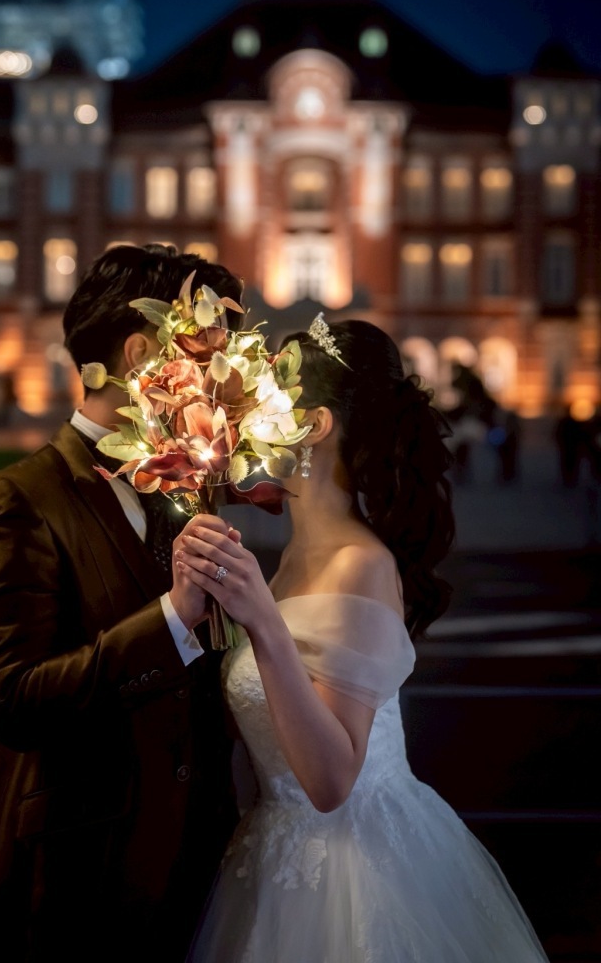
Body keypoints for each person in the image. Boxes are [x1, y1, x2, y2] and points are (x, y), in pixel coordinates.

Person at [176, 317, 549, 962]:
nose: (237, 415)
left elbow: (329, 783)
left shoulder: (360, 565)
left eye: (260, 398)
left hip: (358, 870)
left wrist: (260, 620)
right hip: (268, 854)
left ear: (314, 424)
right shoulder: (294, 556)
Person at [0, 245, 243, 963]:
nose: (222, 382)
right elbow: (17, 702)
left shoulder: (185, 491)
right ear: (142, 351)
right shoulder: (16, 501)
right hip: (82, 880)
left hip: (203, 869)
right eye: (208, 356)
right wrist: (172, 618)